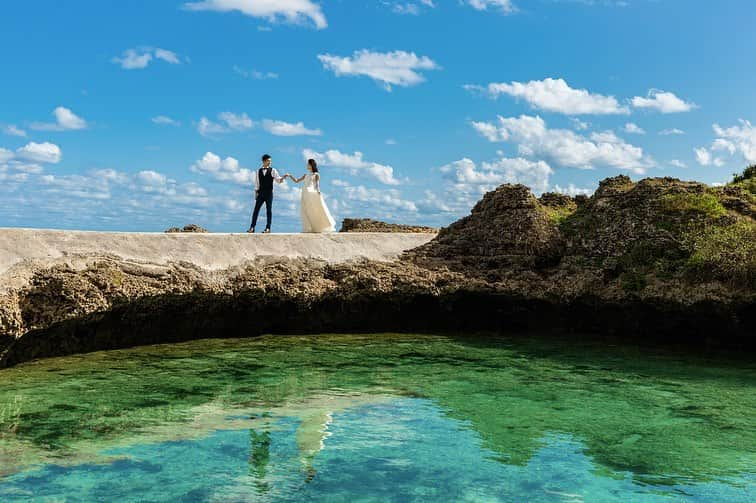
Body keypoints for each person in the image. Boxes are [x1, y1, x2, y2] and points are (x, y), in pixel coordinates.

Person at [288, 159, 336, 233]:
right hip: (304, 193)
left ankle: (318, 226)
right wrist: (290, 176)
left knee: (314, 210)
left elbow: (317, 185)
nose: (307, 165)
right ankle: (309, 228)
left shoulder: (316, 174)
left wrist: (318, 192)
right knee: (305, 210)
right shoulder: (306, 175)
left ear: (311, 165)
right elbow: (296, 181)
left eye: (308, 164)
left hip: (311, 193)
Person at [248, 154, 287, 234]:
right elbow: (257, 183)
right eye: (268, 161)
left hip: (269, 193)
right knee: (256, 210)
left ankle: (268, 228)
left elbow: (278, 180)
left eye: (270, 161)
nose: (270, 162)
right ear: (264, 161)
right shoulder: (258, 171)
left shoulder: (273, 170)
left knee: (269, 210)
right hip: (260, 193)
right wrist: (256, 194)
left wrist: (283, 177)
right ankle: (252, 227)